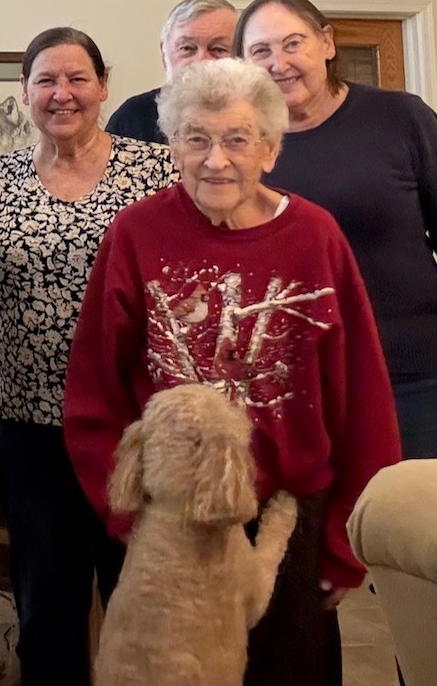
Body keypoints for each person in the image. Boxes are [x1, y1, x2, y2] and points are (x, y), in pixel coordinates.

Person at [63, 57, 402, 686]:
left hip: (287, 517)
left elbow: (361, 393)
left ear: (270, 149)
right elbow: (94, 391)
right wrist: (128, 517)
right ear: (173, 148)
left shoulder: (316, 236)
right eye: (196, 139)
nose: (215, 161)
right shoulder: (136, 233)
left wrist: (345, 537)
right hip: (172, 520)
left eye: (237, 140)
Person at [0, 27, 176, 685]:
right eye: (46, 80)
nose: (63, 93)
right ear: (24, 92)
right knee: (46, 607)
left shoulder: (157, 171)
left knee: (140, 605)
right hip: (28, 429)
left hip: (132, 427)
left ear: (103, 86)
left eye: (78, 78)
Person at [235, 0, 437, 460]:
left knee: (414, 505)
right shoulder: (240, 148)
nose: (279, 63)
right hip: (295, 385)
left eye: (293, 43)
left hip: (413, 376)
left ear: (326, 43)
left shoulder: (400, 118)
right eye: (260, 51)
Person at [106, 0, 237, 144]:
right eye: (187, 48)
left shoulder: (255, 114)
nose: (201, 61)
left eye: (218, 49)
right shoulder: (134, 116)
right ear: (164, 53)